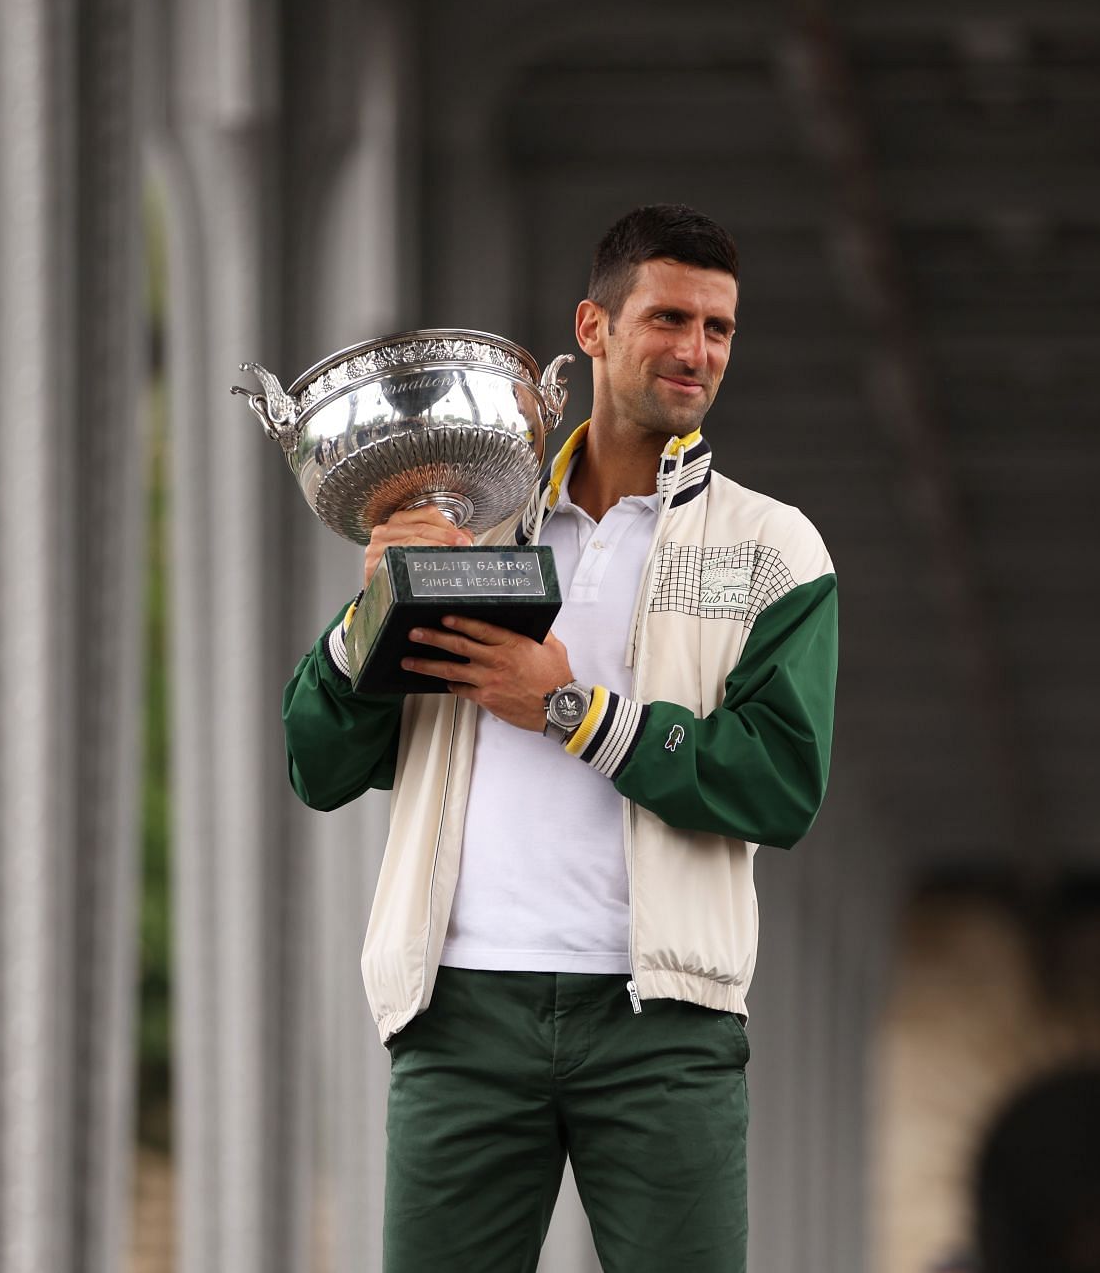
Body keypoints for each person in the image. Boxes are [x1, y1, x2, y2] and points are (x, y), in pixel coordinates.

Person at [282, 203, 839, 1272]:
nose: (696, 351)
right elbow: (319, 765)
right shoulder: (471, 524)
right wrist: (371, 612)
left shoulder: (774, 547)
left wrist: (572, 711)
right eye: (669, 318)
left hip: (665, 1023)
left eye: (719, 329)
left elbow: (780, 784)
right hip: (461, 1011)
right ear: (592, 327)